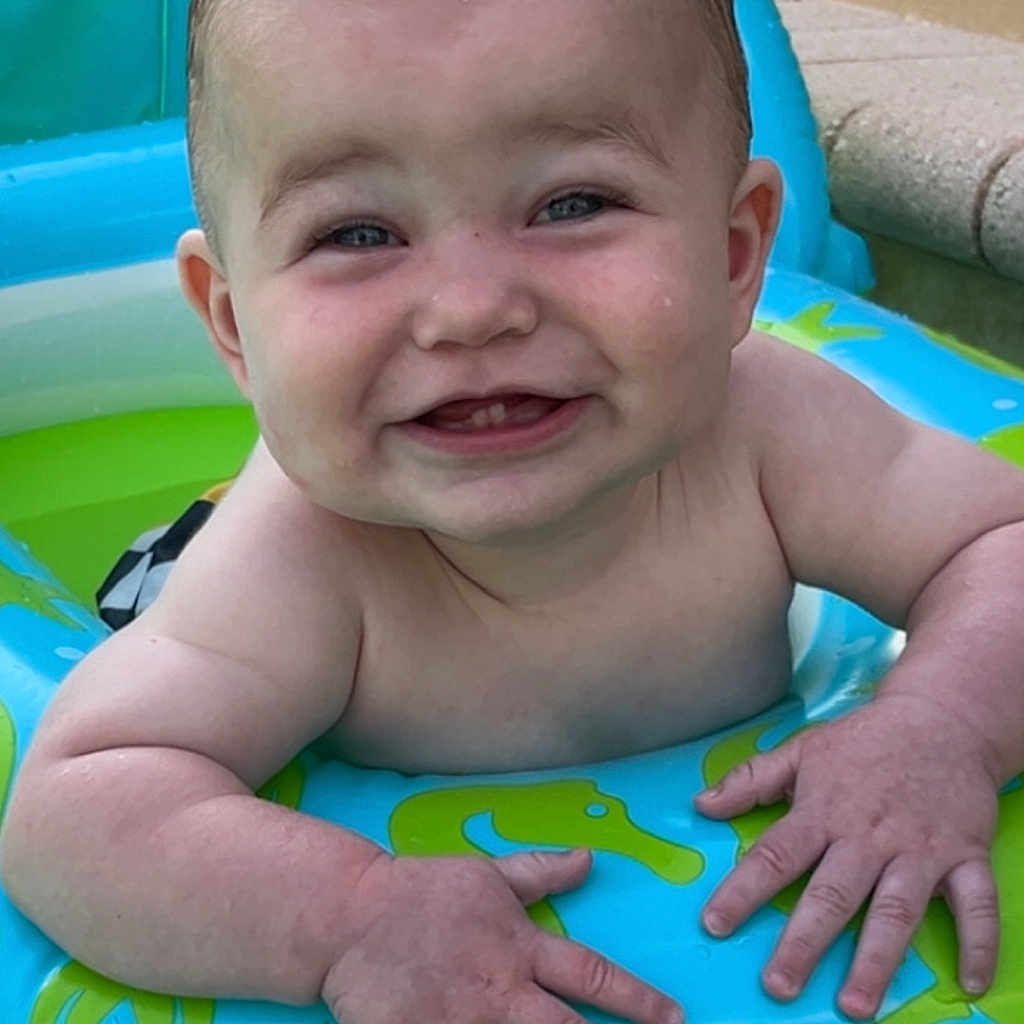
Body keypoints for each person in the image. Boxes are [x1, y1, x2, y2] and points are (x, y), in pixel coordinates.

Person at [2, 0, 1023, 1021]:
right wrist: (349, 912)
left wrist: (941, 725)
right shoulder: (301, 564)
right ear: (232, 325)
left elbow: (1002, 539)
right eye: (358, 231)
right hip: (185, 580)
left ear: (731, 257)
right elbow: (79, 800)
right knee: (170, 603)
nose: (472, 309)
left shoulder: (771, 429)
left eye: (571, 204)